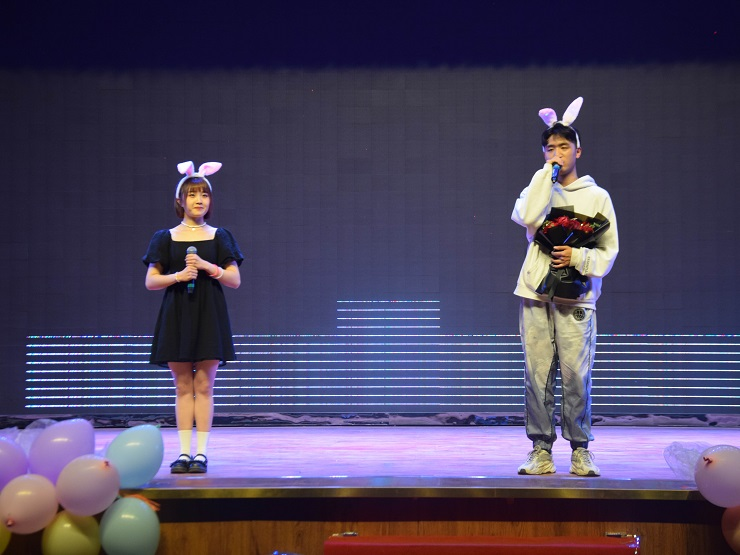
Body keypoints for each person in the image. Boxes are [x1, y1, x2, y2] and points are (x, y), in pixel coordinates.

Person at [511, 97, 619, 477]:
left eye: (563, 147)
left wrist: (577, 257)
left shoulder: (597, 196)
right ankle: (540, 450)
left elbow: (609, 251)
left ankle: (580, 450)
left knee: (576, 376)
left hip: (577, 298)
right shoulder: (537, 189)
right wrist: (546, 174)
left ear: (578, 150)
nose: (556, 153)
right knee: (537, 375)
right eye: (549, 148)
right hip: (535, 293)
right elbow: (526, 216)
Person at [142, 161, 243, 474]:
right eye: (193, 194)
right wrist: (179, 275)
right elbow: (151, 281)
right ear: (180, 200)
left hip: (209, 314)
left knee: (205, 385)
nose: (199, 200)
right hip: (177, 314)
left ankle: (201, 454)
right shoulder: (165, 237)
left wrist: (207, 266)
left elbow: (234, 279)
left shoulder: (220, 236)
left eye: (204, 195)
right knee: (183, 386)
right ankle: (183, 453)